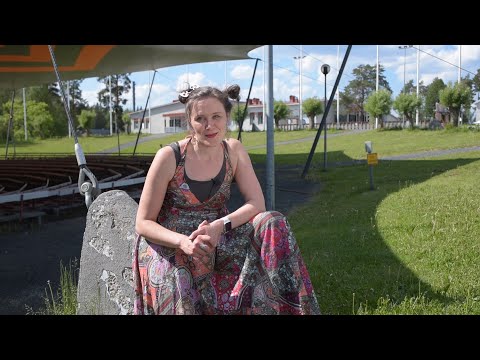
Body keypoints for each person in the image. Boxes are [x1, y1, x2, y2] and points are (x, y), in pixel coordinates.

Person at [133, 84, 320, 315]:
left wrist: (219, 226)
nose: (209, 125)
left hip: (218, 234)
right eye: (200, 118)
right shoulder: (170, 156)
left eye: (216, 117)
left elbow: (256, 204)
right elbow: (143, 222)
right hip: (173, 240)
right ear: (189, 122)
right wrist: (183, 242)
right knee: (176, 275)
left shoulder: (233, 150)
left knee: (273, 221)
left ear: (227, 117)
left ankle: (289, 309)